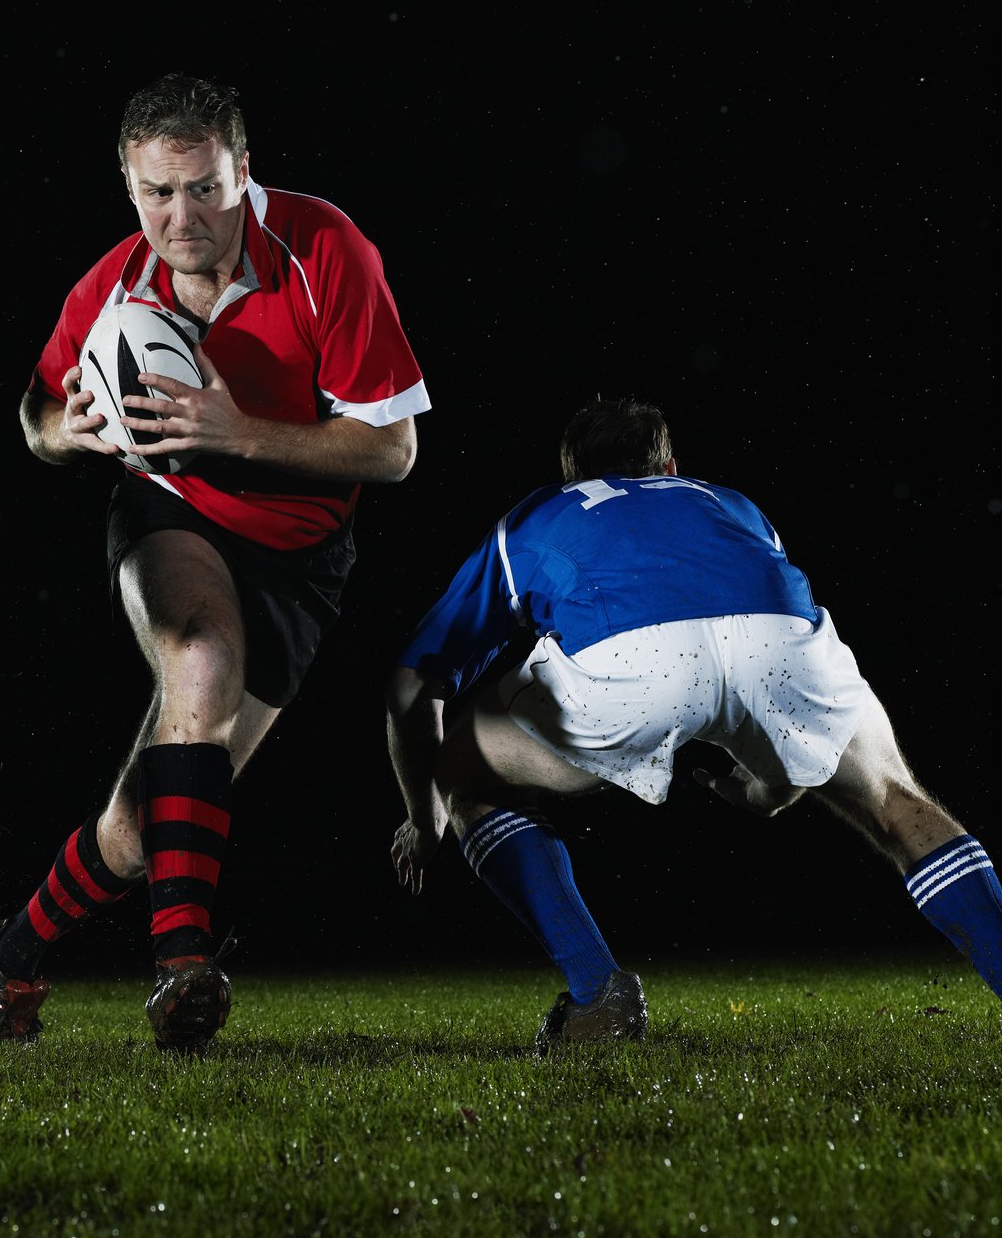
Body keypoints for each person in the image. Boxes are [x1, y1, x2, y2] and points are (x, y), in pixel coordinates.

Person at [0, 74, 431, 1050]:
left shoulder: (324, 250)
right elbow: (35, 415)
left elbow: (391, 449)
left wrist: (240, 429)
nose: (179, 219)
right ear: (128, 185)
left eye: (202, 189)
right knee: (198, 661)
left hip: (300, 552)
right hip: (170, 511)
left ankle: (13, 951)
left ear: (243, 171)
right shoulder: (113, 284)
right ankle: (182, 967)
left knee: (145, 830)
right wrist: (75, 432)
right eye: (155, 193)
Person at [384, 395, 1002, 1049]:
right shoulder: (732, 506)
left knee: (461, 773)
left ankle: (598, 993)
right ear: (670, 464)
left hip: (628, 663)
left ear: (571, 474)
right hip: (780, 639)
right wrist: (768, 788)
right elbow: (746, 657)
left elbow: (409, 685)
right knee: (894, 802)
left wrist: (425, 822)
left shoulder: (537, 514)